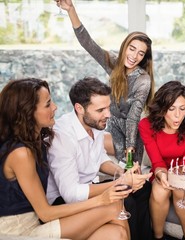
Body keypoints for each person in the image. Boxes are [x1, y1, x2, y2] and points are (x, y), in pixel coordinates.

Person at [0, 78, 129, 239]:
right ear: (27, 112)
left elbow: (96, 152)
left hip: (37, 220)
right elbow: (45, 213)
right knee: (115, 207)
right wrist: (101, 200)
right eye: (47, 104)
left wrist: (123, 170)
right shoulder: (20, 153)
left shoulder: (37, 138)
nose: (55, 107)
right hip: (20, 230)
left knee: (116, 233)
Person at [47, 77, 153, 240]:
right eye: (100, 110)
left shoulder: (94, 124)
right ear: (79, 108)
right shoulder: (63, 137)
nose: (108, 114)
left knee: (143, 188)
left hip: (88, 188)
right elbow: (71, 193)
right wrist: (121, 182)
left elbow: (99, 158)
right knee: (127, 199)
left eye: (108, 107)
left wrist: (122, 172)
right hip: (64, 201)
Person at [56, 0, 155, 163]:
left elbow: (133, 116)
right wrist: (70, 10)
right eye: (132, 49)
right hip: (111, 125)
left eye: (141, 53)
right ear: (125, 47)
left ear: (144, 57)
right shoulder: (114, 63)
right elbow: (88, 44)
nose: (134, 56)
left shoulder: (143, 80)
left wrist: (130, 146)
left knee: (127, 167)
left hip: (130, 132)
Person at [139, 81, 185, 240]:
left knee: (181, 189)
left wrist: (177, 179)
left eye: (182, 108)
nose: (178, 115)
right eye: (171, 109)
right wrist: (162, 176)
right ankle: (157, 236)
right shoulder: (146, 125)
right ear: (162, 109)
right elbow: (157, 162)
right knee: (159, 190)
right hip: (162, 170)